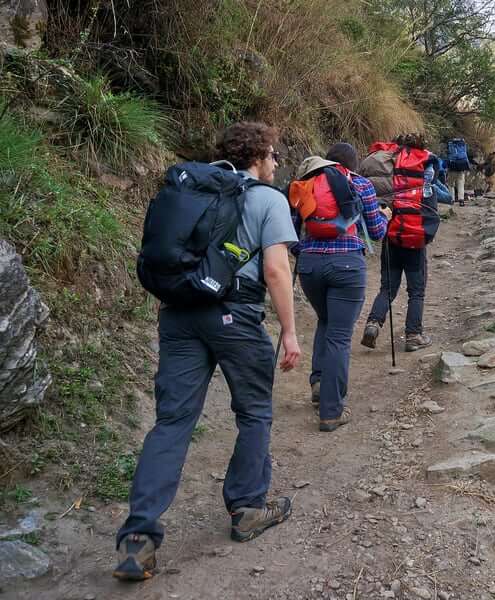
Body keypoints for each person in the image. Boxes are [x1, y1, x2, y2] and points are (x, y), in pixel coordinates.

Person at [114, 122, 300, 580]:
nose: (276, 164)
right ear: (258, 157)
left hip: (179, 312)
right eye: (273, 156)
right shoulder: (266, 199)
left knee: (173, 421)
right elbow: (276, 271)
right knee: (255, 412)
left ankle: (138, 538)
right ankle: (247, 508)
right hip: (235, 315)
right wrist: (291, 332)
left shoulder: (196, 189)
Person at [290, 143, 389, 432]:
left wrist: (304, 252)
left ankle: (319, 382)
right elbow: (376, 231)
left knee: (326, 320)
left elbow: (290, 230)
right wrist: (385, 215)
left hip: (309, 266)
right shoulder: (360, 185)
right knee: (339, 336)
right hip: (346, 265)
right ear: (352, 164)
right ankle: (331, 411)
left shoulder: (306, 181)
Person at [359, 133, 440, 353]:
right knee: (416, 291)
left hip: (392, 234)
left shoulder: (391, 164)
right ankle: (413, 335)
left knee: (387, 288)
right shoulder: (426, 166)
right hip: (415, 238)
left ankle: (373, 324)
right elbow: (431, 200)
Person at [445, 137, 471, 203]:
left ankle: (451, 199)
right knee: (461, 184)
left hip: (452, 168)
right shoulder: (462, 145)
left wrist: (446, 166)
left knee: (451, 184)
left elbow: (448, 157)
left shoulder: (451, 145)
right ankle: (461, 200)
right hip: (461, 168)